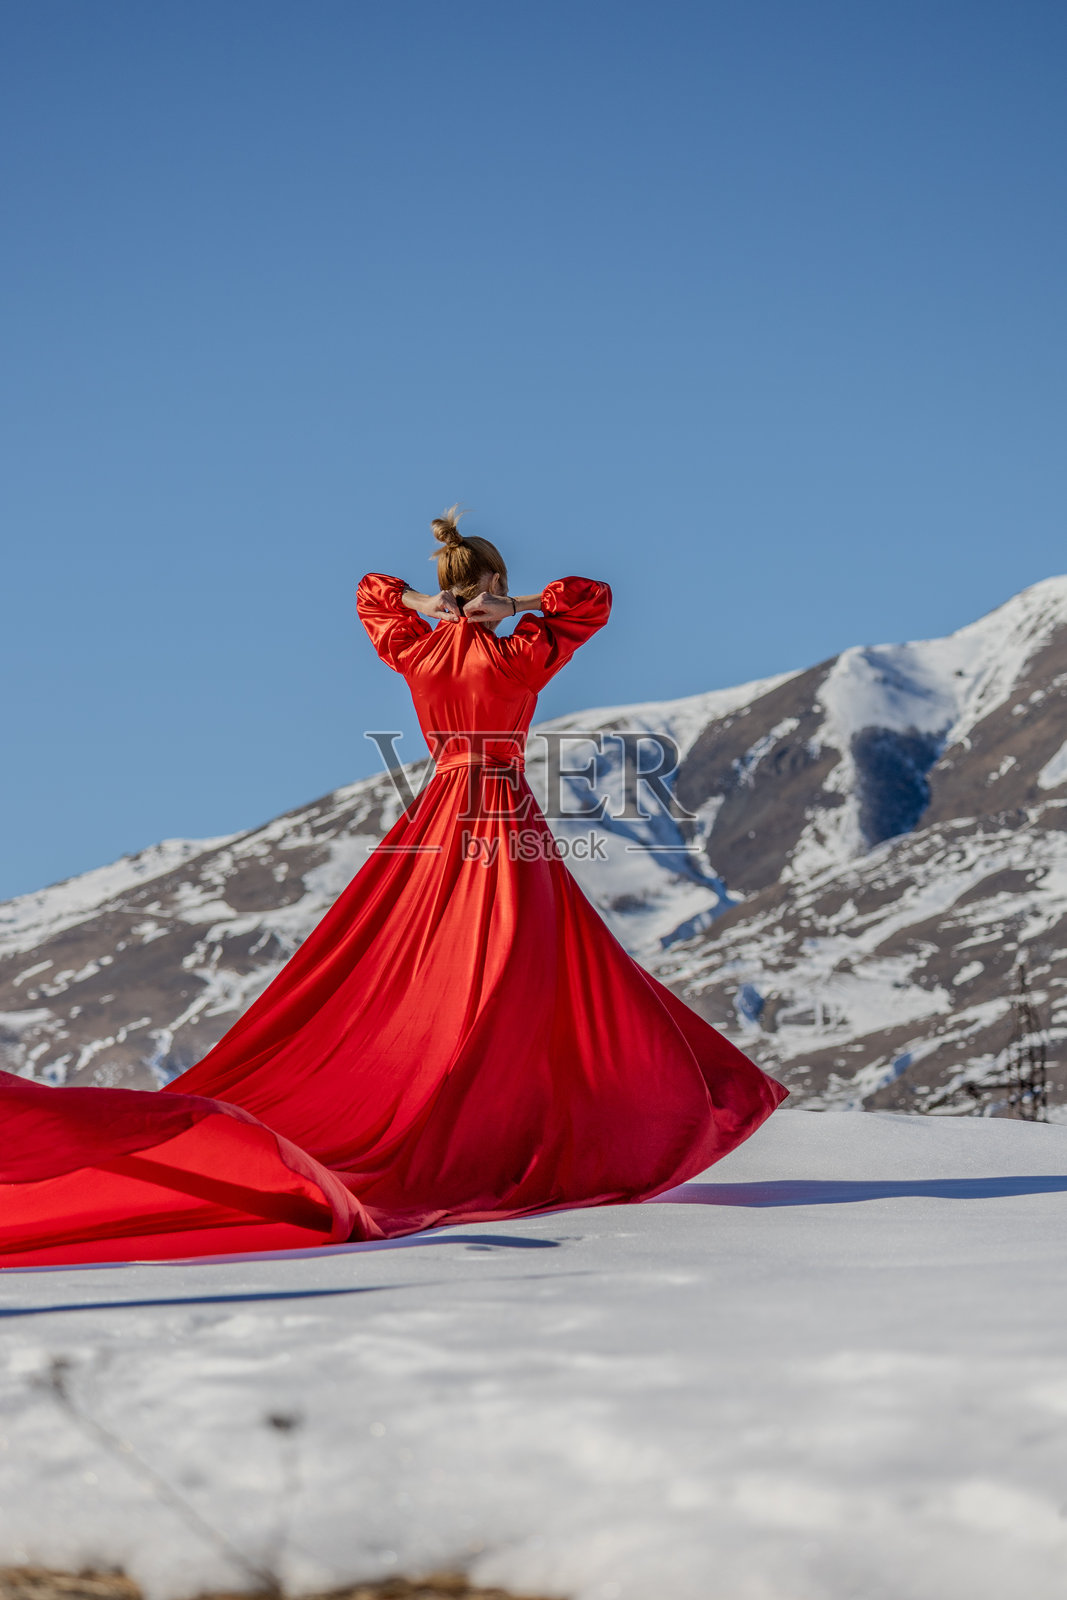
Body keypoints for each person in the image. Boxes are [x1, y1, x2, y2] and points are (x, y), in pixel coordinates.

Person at [0, 510, 787, 1268]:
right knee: (526, 961)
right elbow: (590, 599)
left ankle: (491, 1110)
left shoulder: (415, 650)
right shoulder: (520, 653)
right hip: (497, 807)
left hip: (438, 807)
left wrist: (424, 602)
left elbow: (371, 593)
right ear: (490, 583)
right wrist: (517, 605)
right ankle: (518, 1123)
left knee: (466, 960)